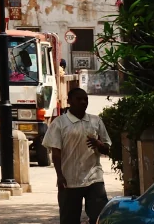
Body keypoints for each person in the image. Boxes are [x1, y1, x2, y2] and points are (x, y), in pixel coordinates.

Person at [42, 88, 112, 224]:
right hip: (70, 181)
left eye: (85, 99)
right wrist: (60, 176)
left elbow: (107, 149)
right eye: (79, 99)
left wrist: (98, 144)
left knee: (100, 217)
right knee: (69, 219)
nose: (83, 102)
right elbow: (56, 153)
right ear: (69, 101)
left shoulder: (95, 121)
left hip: (94, 178)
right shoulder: (59, 123)